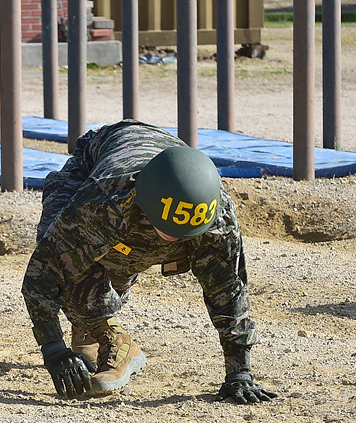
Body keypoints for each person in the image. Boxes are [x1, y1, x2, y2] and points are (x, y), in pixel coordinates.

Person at [22, 120, 276, 404]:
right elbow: (44, 271)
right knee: (73, 257)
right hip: (94, 167)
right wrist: (53, 349)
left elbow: (228, 290)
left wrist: (239, 373)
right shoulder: (107, 197)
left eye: (182, 236)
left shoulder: (217, 218)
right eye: (169, 231)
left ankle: (90, 324)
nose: (172, 241)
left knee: (133, 253)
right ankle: (106, 332)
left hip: (154, 180)